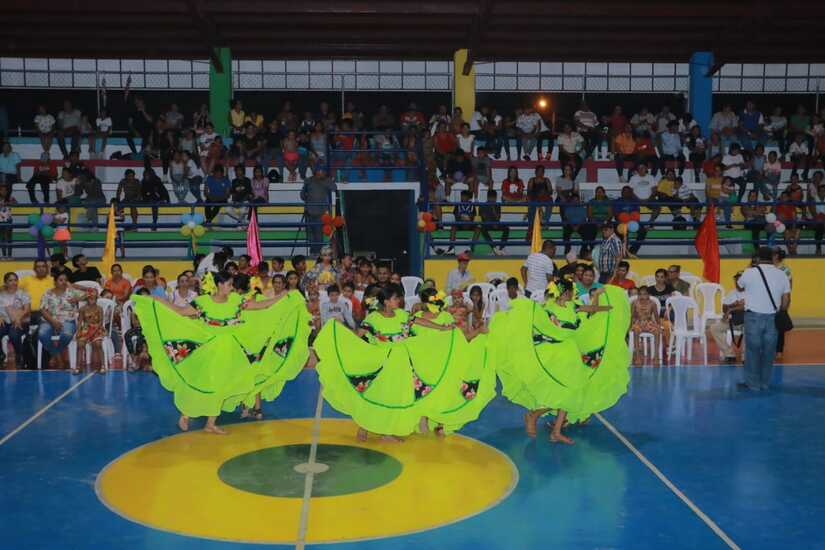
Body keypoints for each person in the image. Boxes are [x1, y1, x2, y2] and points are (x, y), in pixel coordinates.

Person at [133, 270, 310, 433]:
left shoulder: (236, 301)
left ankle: (210, 423)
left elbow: (261, 305)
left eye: (232, 284)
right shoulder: (203, 302)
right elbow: (180, 311)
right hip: (210, 348)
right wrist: (157, 301)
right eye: (229, 284)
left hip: (232, 349)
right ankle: (186, 415)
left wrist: (282, 297)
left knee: (223, 386)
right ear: (219, 284)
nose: (231, 287)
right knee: (203, 382)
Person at [314, 283, 470, 442]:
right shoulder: (373, 318)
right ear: (386, 301)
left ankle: (384, 432)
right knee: (377, 395)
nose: (399, 301)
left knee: (391, 397)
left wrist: (441, 328)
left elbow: (420, 321)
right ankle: (365, 427)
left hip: (402, 363)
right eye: (395, 298)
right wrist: (340, 331)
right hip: (384, 364)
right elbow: (357, 335)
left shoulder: (401, 314)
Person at [495, 280, 624, 445]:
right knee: (564, 392)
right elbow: (534, 322)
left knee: (572, 392)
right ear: (566, 293)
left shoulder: (572, 306)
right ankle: (535, 414)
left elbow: (591, 310)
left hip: (569, 355)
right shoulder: (547, 309)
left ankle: (556, 431)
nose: (574, 295)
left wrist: (606, 307)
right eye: (572, 292)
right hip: (553, 355)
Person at [736, 247, 791, 391]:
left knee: (752, 351)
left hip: (753, 317)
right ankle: (764, 383)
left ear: (758, 258)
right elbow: (786, 299)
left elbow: (739, 286)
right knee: (769, 352)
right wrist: (781, 311)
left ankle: (753, 384)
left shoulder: (749, 272)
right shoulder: (782, 274)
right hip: (773, 318)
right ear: (772, 257)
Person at [38, 272, 84, 371]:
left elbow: (92, 293)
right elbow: (42, 310)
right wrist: (53, 322)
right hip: (49, 320)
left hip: (68, 320)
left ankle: (54, 354)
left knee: (67, 334)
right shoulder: (48, 293)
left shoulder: (71, 292)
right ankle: (58, 357)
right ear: (55, 282)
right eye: (61, 280)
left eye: (65, 280)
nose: (64, 282)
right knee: (42, 334)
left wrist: (78, 298)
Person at [707, 272, 746, 363]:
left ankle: (746, 357)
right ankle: (729, 354)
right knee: (714, 328)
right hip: (733, 320)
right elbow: (724, 308)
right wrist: (732, 305)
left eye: (739, 280)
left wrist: (731, 309)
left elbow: (746, 307)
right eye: (736, 281)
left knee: (750, 329)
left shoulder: (751, 292)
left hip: (747, 321)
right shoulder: (732, 292)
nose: (737, 283)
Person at [301, 165, 337, 254]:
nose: (322, 173)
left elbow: (334, 187)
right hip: (308, 212)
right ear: (316, 172)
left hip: (320, 213)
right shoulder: (308, 180)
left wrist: (326, 180)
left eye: (323, 172)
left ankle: (318, 253)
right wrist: (305, 195)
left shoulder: (327, 180)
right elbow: (302, 195)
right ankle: (312, 252)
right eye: (320, 171)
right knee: (310, 235)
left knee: (318, 234)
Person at [0, 272, 31, 368]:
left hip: (21, 321)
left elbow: (27, 310)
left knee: (13, 334)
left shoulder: (23, 293)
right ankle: (1, 355)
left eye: (15, 280)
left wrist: (18, 318)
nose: (14, 282)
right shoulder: (1, 295)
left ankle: (19, 355)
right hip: (5, 321)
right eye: (10, 280)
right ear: (5, 282)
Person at [76, 290, 106, 373]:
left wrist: (94, 331)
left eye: (94, 299)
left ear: (96, 299)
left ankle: (103, 365)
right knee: (80, 344)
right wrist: (78, 331)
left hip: (97, 328)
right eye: (90, 299)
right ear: (87, 299)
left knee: (98, 344)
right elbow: (80, 322)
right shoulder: (82, 309)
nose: (92, 300)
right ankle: (78, 366)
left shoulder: (99, 308)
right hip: (86, 328)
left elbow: (101, 322)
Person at [631, 286, 661, 364]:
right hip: (638, 322)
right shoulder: (634, 303)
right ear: (638, 295)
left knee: (657, 332)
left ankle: (656, 356)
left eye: (644, 294)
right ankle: (638, 357)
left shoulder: (652, 304)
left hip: (649, 322)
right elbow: (632, 316)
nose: (642, 296)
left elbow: (656, 317)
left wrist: (659, 326)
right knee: (636, 331)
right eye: (640, 294)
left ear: (648, 295)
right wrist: (630, 326)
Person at [772, 247, 793, 358]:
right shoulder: (769, 268)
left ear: (776, 256)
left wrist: (785, 303)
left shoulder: (784, 270)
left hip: (780, 301)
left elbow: (789, 287)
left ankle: (779, 350)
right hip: (768, 301)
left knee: (779, 327)